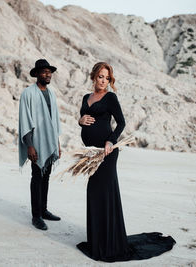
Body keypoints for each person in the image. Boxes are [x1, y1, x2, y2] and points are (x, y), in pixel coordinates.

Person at [76, 62, 176, 262]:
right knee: (94, 193)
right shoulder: (86, 98)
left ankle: (110, 243)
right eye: (100, 77)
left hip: (107, 153)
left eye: (107, 78)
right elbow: (83, 117)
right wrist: (80, 121)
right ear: (93, 77)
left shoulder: (111, 97)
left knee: (106, 193)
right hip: (91, 154)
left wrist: (110, 141)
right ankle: (97, 240)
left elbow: (121, 122)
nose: (103, 81)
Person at [18, 59, 62, 231]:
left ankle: (43, 210)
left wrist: (57, 143)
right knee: (37, 177)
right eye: (44, 71)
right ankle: (36, 216)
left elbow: (54, 122)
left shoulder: (51, 93)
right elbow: (25, 120)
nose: (48, 74)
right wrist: (29, 145)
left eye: (49, 71)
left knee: (46, 175)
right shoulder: (28, 93)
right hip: (36, 142)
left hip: (49, 142)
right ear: (36, 74)